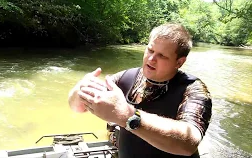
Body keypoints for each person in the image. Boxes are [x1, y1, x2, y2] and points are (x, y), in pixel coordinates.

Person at [68, 23, 212, 158]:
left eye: (162, 56)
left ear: (179, 62)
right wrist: (80, 90)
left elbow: (189, 143)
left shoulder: (194, 89)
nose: (151, 58)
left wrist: (127, 116)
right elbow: (78, 107)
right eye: (150, 50)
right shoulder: (125, 78)